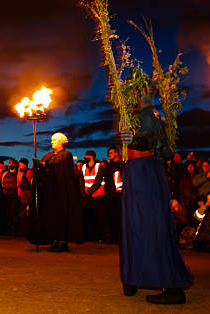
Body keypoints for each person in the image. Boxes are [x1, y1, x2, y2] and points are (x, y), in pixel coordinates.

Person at [119, 96, 193, 304]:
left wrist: (136, 140)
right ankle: (133, 276)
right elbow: (166, 152)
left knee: (149, 225)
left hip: (143, 174)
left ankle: (172, 286)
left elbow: (160, 148)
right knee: (134, 225)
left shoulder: (148, 116)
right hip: (139, 173)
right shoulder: (143, 117)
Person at [28, 132, 83, 252]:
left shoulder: (66, 155)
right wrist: (40, 166)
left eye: (55, 140)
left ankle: (62, 242)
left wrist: (46, 166)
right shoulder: (48, 155)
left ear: (62, 142)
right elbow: (43, 171)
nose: (52, 142)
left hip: (61, 192)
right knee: (51, 217)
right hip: (49, 192)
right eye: (52, 140)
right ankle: (54, 240)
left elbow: (65, 174)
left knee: (61, 217)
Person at [82, 150, 107, 242]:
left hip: (98, 195)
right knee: (89, 216)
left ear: (91, 157)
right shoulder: (84, 167)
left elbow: (98, 180)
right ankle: (91, 236)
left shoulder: (99, 166)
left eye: (86, 156)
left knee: (99, 217)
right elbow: (81, 180)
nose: (85, 157)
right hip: (88, 196)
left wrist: (90, 191)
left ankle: (101, 236)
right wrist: (84, 193)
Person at [0, 158, 19, 235]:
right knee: (7, 212)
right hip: (6, 195)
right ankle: (8, 229)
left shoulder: (17, 174)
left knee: (13, 212)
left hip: (14, 195)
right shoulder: (5, 173)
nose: (10, 164)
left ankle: (15, 230)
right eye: (9, 163)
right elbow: (2, 182)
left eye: (12, 163)